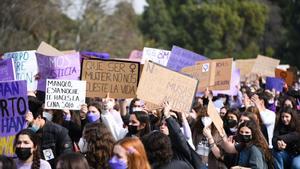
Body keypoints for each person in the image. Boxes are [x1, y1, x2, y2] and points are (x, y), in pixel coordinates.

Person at [26, 96, 72, 167]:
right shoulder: (22, 134)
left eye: (30, 124)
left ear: (39, 117)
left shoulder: (59, 132)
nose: (27, 127)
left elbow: (66, 160)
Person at [207, 120, 272, 169]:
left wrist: (240, 168)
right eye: (241, 132)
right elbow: (228, 149)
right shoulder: (243, 145)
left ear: (253, 134)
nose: (244, 134)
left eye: (247, 132)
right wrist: (222, 136)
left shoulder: (254, 148)